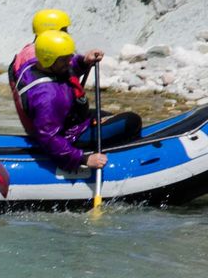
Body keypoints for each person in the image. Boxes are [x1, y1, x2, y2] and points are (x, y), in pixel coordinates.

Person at [15, 30, 139, 173]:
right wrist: (83, 159)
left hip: (73, 119)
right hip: (70, 136)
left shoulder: (35, 65)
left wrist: (83, 61)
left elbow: (67, 68)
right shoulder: (47, 98)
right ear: (49, 60)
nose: (69, 61)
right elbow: (49, 138)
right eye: (65, 59)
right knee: (131, 121)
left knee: (111, 116)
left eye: (70, 56)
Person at [8, 8, 101, 124]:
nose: (67, 34)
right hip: (51, 121)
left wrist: (84, 62)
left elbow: (65, 73)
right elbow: (50, 86)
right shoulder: (35, 56)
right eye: (64, 30)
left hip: (60, 113)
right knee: (127, 121)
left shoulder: (42, 51)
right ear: (50, 31)